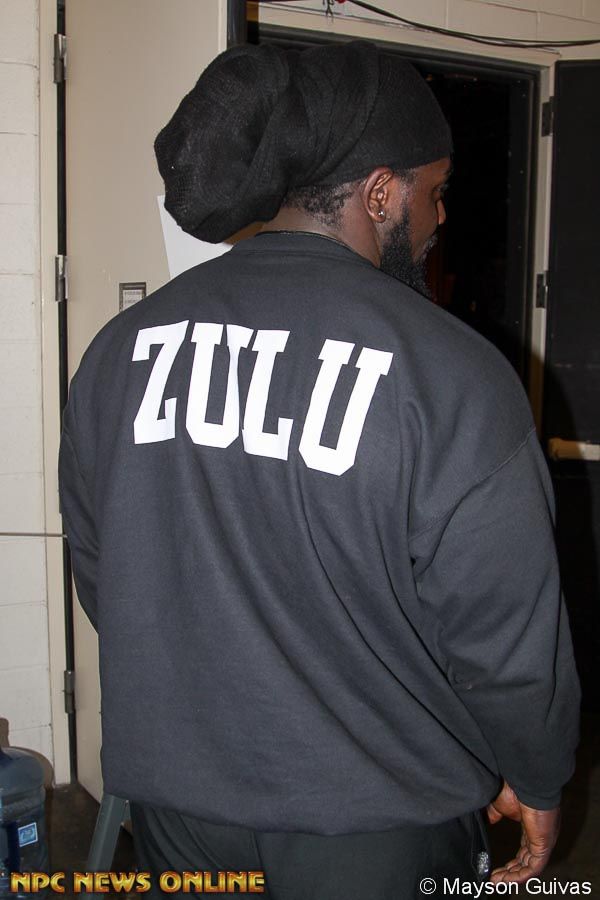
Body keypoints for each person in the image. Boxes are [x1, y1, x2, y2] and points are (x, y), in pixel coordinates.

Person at [59, 41, 580, 898]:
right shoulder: (449, 373)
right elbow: (507, 639)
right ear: (380, 193)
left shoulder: (121, 351)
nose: (439, 217)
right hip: (375, 822)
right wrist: (538, 773)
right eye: (434, 191)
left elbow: (104, 576)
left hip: (177, 809)